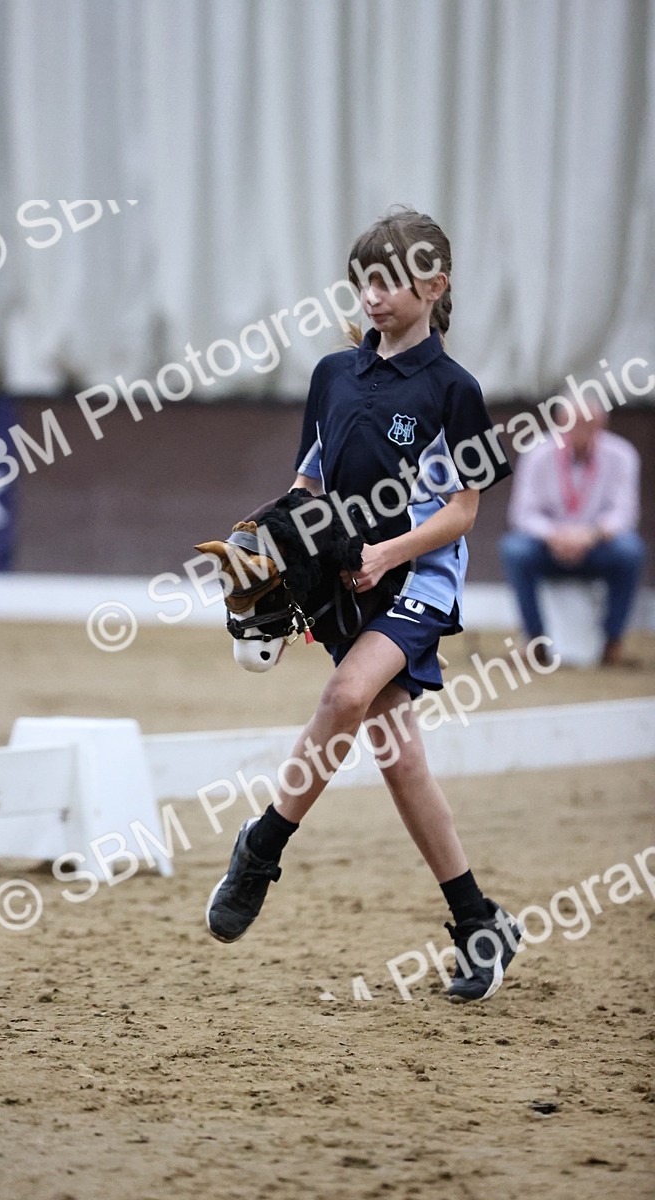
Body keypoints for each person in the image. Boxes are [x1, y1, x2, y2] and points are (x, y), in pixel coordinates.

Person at [205, 206, 523, 1002]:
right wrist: (272, 540)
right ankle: (479, 919)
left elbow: (464, 512)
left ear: (434, 286)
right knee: (399, 753)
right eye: (362, 282)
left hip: (415, 580)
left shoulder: (457, 391)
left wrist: (388, 552)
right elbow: (310, 482)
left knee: (345, 694)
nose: (371, 297)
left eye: (386, 282)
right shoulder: (332, 375)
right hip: (343, 579)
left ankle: (261, 847)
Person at [500, 401, 645, 667]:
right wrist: (554, 535)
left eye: (589, 424)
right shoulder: (537, 452)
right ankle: (535, 640)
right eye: (573, 423)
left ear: (603, 425)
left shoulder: (622, 454)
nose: (581, 431)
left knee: (630, 550)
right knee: (515, 549)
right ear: (559, 423)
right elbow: (522, 513)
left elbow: (625, 513)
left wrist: (591, 535)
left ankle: (613, 642)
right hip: (548, 547)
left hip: (599, 546)